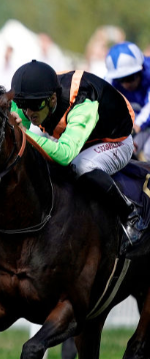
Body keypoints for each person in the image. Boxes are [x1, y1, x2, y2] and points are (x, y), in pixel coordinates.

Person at [10, 59, 141, 246]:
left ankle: (130, 215)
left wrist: (24, 132)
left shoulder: (83, 104)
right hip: (80, 136)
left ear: (52, 99)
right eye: (23, 104)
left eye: (34, 105)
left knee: (80, 165)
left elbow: (65, 154)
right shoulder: (33, 96)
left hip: (115, 142)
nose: (28, 112)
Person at [105, 42, 150, 159]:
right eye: (121, 79)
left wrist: (136, 126)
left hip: (142, 121)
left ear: (141, 69)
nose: (126, 84)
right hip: (138, 123)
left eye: (130, 77)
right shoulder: (109, 81)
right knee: (125, 151)